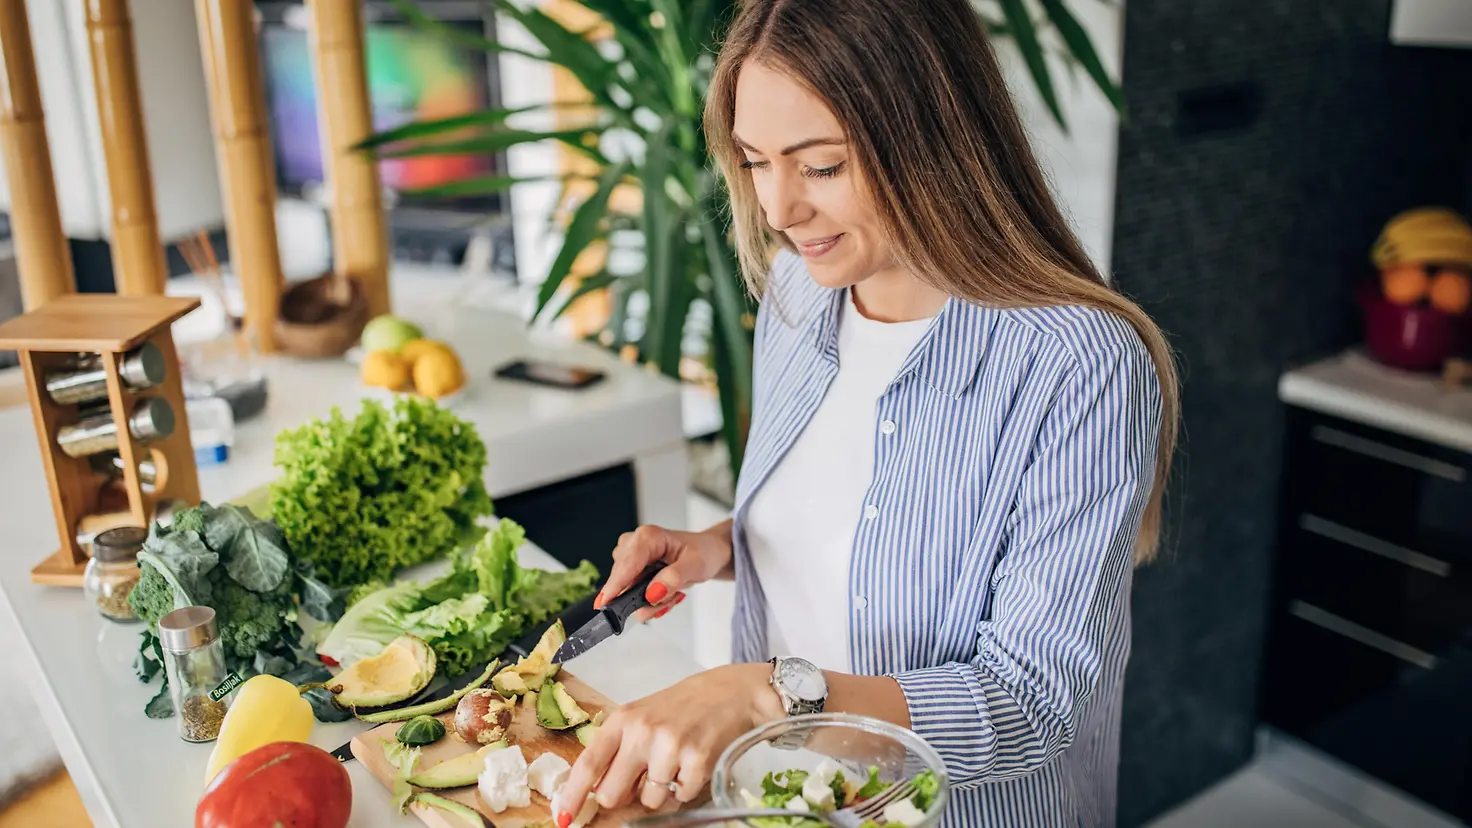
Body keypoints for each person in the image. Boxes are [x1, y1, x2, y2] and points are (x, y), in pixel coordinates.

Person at [557, 0, 1180, 825]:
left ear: (935, 140)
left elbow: (1031, 701)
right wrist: (720, 548)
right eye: (753, 161)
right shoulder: (795, 292)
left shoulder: (1077, 366)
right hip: (784, 798)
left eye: (820, 167)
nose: (779, 208)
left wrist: (766, 695)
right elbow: (862, 536)